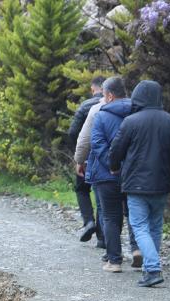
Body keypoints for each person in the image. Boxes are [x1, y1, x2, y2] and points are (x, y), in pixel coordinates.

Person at [109, 80, 170, 288]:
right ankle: (148, 270)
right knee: (155, 226)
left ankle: (152, 269)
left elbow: (116, 150)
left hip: (136, 184)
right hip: (162, 184)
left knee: (139, 226)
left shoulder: (131, 122)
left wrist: (114, 166)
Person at [77, 77, 141, 272]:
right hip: (134, 173)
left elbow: (93, 142)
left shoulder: (100, 113)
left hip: (107, 175)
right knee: (134, 213)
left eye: (104, 95)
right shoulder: (139, 111)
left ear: (110, 95)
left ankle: (114, 260)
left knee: (111, 216)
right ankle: (137, 249)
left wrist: (82, 161)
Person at [67, 76, 106, 246]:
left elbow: (72, 132)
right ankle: (103, 238)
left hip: (86, 158)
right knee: (103, 197)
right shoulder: (112, 104)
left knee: (82, 190)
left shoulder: (85, 106)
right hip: (105, 159)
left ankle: (89, 221)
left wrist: (78, 157)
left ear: (92, 89)